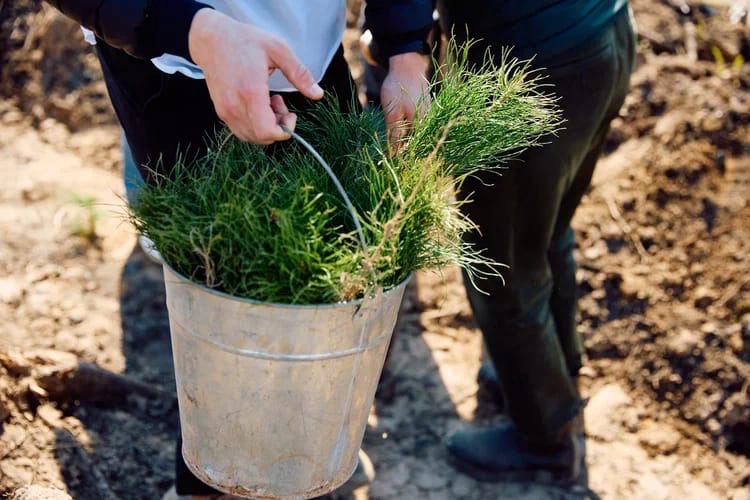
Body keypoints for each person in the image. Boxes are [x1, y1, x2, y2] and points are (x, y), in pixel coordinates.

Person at [44, 1, 433, 498]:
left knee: (329, 258)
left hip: (311, 53)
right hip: (173, 57)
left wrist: (405, 48)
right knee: (223, 284)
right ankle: (212, 478)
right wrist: (192, 29)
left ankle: (304, 442)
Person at [375, 0, 637, 484]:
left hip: (530, 66)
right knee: (546, 227)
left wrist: (403, 49)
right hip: (604, 32)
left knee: (498, 264)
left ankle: (544, 440)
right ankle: (552, 371)